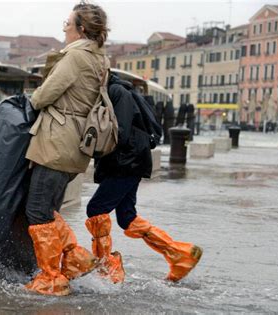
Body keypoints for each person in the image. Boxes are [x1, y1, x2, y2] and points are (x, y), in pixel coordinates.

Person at [24, 1, 110, 296]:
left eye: (68, 23)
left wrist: (32, 99)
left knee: (37, 210)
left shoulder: (75, 58)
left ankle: (51, 277)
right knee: (47, 207)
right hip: (76, 144)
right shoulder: (100, 59)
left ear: (81, 29)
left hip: (57, 142)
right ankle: (74, 260)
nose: (64, 27)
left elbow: (45, 94)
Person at [85, 74, 203, 284]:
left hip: (126, 160)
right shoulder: (116, 90)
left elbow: (120, 132)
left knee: (96, 210)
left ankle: (107, 267)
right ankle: (179, 254)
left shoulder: (117, 92)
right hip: (130, 159)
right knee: (127, 217)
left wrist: (89, 146)